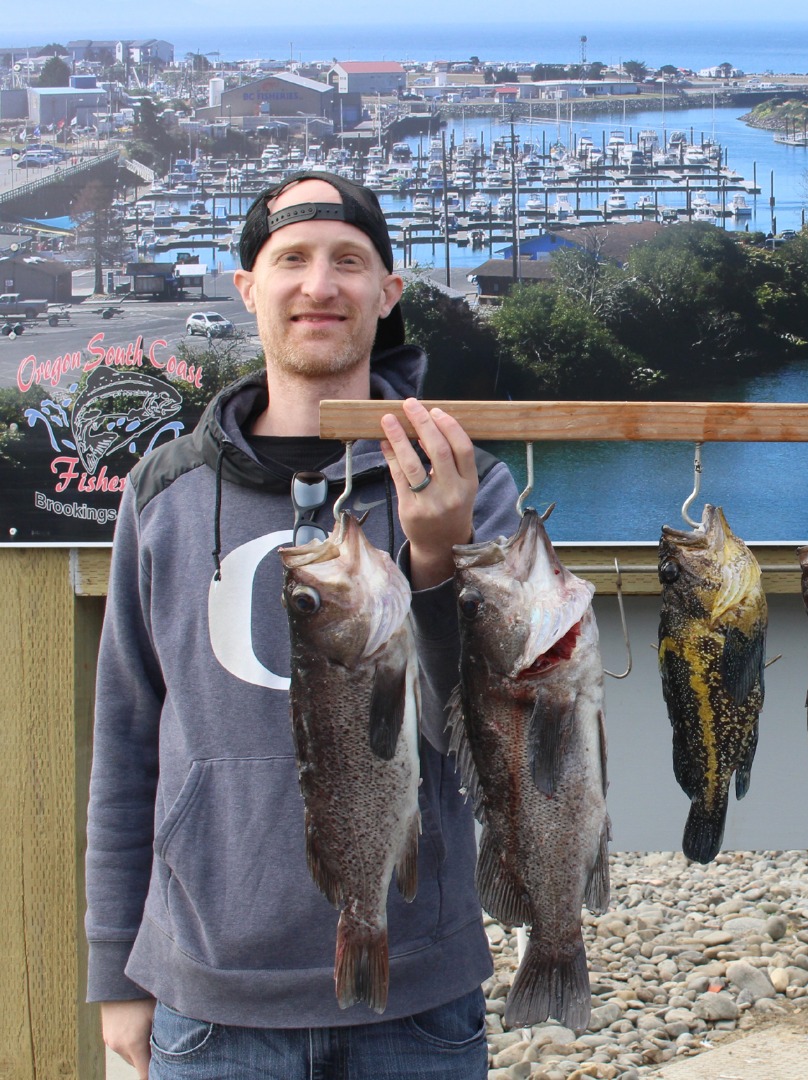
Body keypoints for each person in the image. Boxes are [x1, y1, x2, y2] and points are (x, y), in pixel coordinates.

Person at [85, 171, 521, 1078]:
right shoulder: (164, 493)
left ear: (387, 293)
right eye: (292, 259)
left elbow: (494, 727)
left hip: (420, 997)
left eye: (349, 262)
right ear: (247, 287)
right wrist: (114, 970)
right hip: (210, 1000)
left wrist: (436, 564)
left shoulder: (465, 482)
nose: (320, 286)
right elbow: (127, 745)